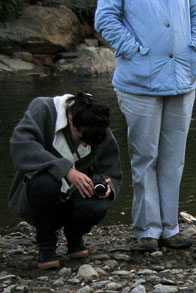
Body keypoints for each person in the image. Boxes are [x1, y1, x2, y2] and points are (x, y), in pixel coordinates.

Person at [95, 0, 196, 252]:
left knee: (174, 158)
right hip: (138, 81)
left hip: (182, 78)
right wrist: (133, 49)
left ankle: (170, 228)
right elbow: (105, 18)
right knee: (145, 157)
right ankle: (147, 230)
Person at [9, 92, 121, 269]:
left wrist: (107, 185)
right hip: (40, 196)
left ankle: (74, 236)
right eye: (82, 138)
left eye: (90, 142)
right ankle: (46, 244)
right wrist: (65, 170)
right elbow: (21, 147)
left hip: (75, 197)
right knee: (43, 183)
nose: (85, 145)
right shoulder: (43, 109)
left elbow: (111, 170)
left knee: (97, 205)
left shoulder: (96, 125)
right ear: (70, 119)